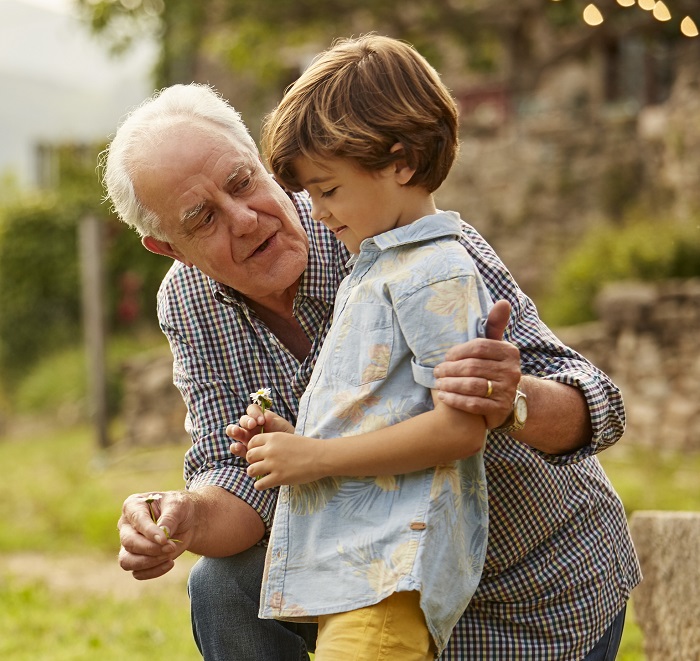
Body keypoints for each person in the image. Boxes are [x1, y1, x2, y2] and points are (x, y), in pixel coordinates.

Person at [105, 69, 639, 661]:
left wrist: (510, 398)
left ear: (260, 159)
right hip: (367, 587)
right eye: (203, 218)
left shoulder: (392, 228)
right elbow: (241, 480)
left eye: (242, 182)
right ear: (167, 247)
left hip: (527, 589)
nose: (246, 219)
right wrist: (182, 516)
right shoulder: (188, 301)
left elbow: (598, 407)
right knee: (223, 583)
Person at [225, 34, 494, 659]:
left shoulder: (436, 271)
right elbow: (387, 412)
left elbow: (461, 431)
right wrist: (294, 440)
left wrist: (313, 460)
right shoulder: (379, 266)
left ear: (400, 163)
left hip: (387, 580)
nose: (315, 212)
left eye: (329, 190)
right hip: (357, 575)